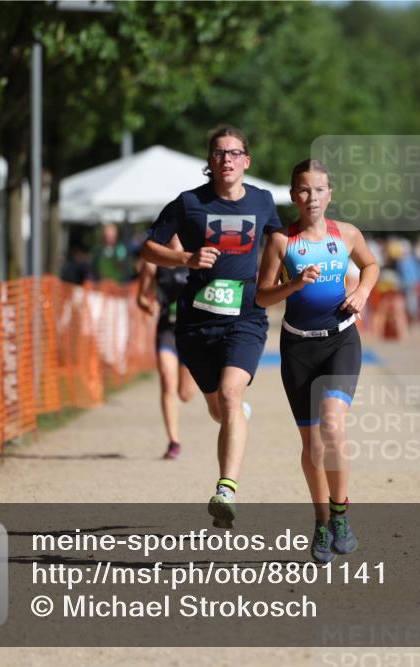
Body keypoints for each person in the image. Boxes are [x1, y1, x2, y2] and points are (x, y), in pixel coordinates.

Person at [142, 125, 281, 527]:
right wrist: (184, 259)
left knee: (230, 394)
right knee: (218, 408)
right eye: (219, 153)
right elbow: (150, 246)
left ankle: (226, 490)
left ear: (246, 160)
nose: (227, 160)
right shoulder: (188, 204)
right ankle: (232, 414)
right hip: (196, 321)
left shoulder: (263, 200)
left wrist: (282, 281)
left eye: (235, 153)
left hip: (246, 316)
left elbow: (280, 242)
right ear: (209, 161)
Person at [256, 159, 378, 564]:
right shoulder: (280, 240)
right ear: (293, 195)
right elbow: (262, 296)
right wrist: (294, 284)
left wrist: (361, 292)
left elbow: (371, 265)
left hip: (340, 341)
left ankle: (341, 514)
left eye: (319, 190)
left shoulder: (346, 234)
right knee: (311, 446)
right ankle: (322, 521)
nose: (312, 198)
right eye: (304, 191)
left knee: (331, 424)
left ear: (330, 194)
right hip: (298, 349)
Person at [136, 235, 199, 460]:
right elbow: (141, 297)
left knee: (185, 393)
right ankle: (174, 441)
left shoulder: (196, 255)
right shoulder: (153, 260)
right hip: (166, 330)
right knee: (167, 381)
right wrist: (148, 305)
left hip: (191, 332)